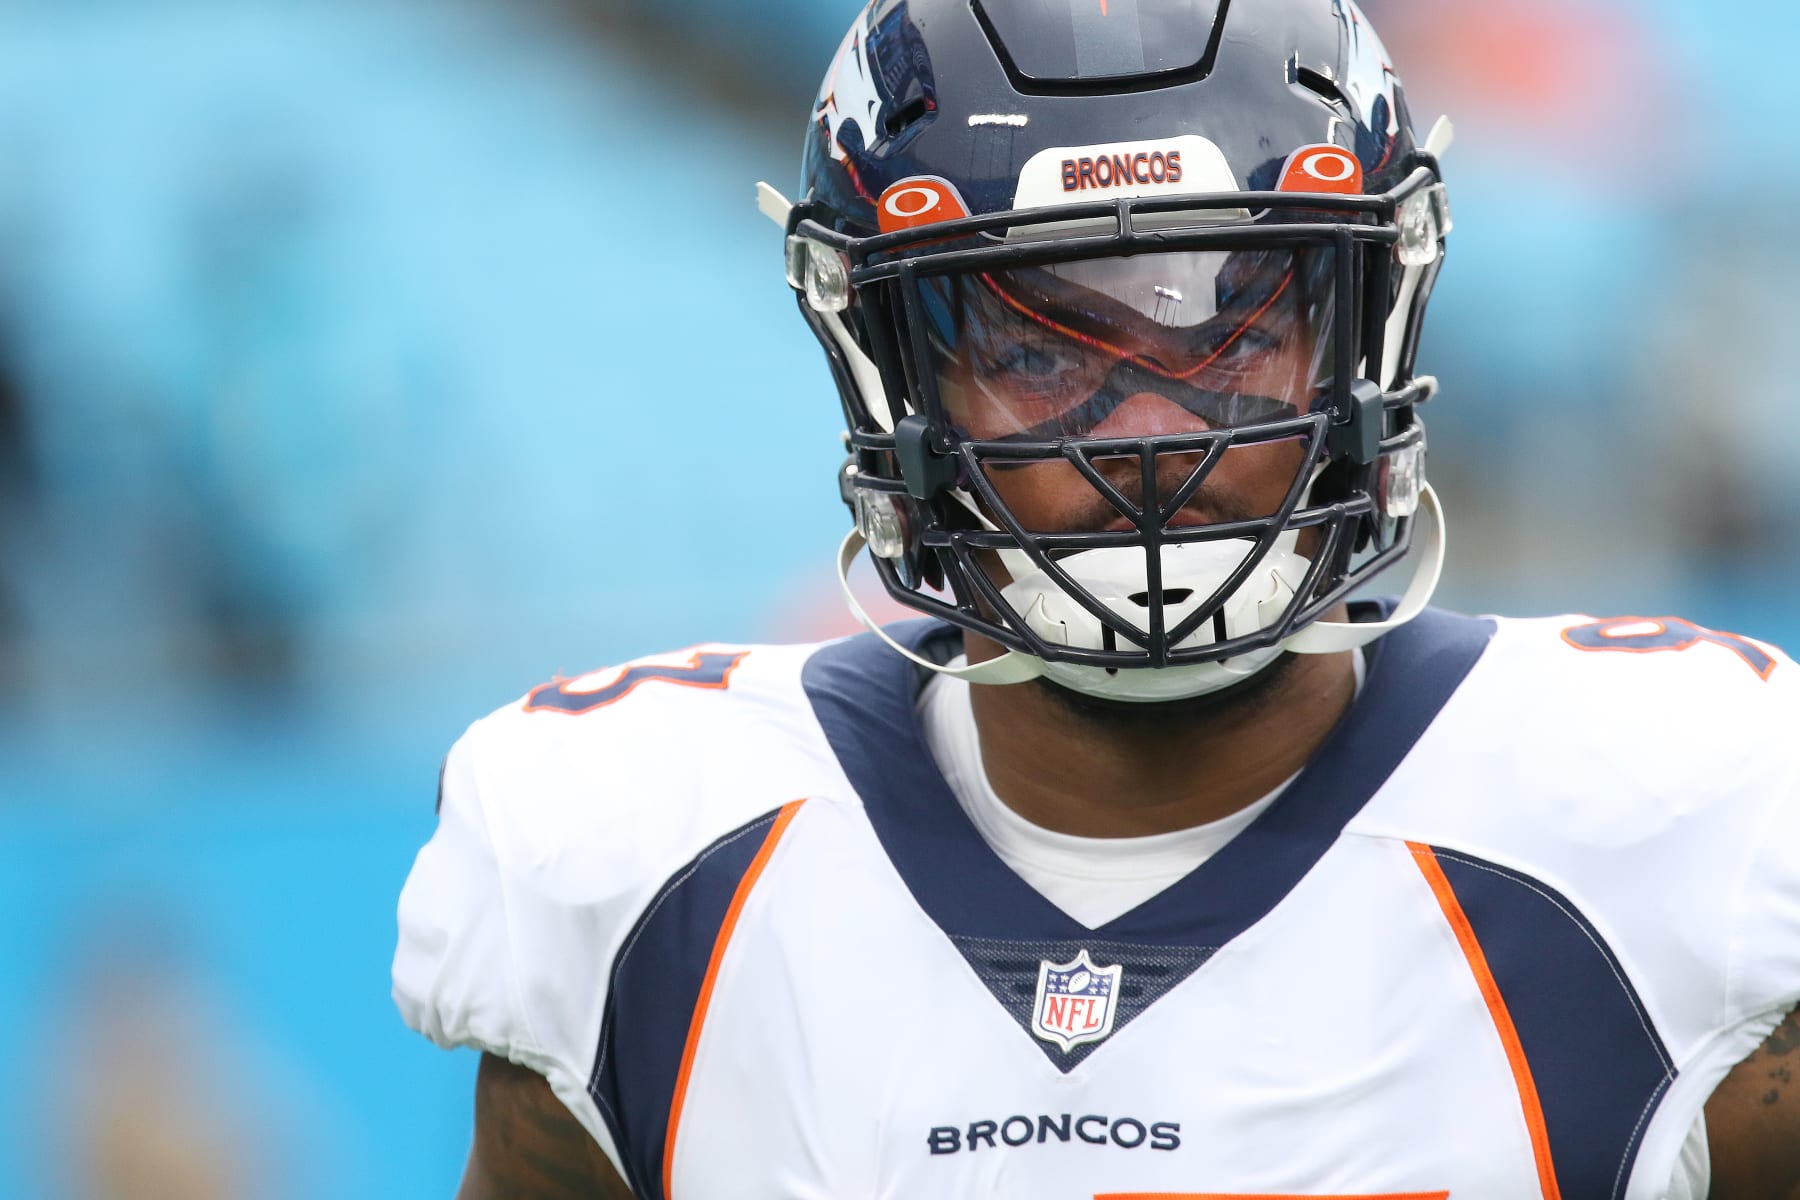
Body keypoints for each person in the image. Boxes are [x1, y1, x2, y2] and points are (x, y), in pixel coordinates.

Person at [393, 0, 1800, 1196]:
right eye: (1040, 344)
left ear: (1367, 332)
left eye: (1237, 322)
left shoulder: (1686, 832)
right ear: (892, 380)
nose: (1147, 433)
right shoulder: (648, 872)